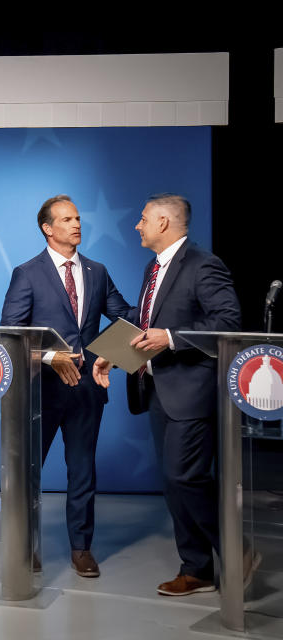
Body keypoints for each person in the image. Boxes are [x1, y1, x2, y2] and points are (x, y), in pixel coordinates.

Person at [93, 194, 241, 596]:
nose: (137, 226)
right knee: (173, 484)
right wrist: (115, 355)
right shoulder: (153, 267)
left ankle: (236, 551)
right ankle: (197, 570)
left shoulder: (203, 264)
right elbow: (146, 330)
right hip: (156, 388)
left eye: (142, 219)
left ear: (162, 223)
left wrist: (173, 338)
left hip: (191, 391)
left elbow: (227, 322)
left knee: (186, 476)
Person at [1, 194, 131, 577]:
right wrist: (47, 357)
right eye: (68, 219)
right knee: (29, 472)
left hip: (87, 389)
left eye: (78, 218)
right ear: (48, 228)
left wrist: (124, 349)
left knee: (83, 471)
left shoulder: (97, 271)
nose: (76, 225)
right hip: (40, 391)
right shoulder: (27, 273)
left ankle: (81, 548)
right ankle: (27, 546)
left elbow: (125, 316)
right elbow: (11, 332)